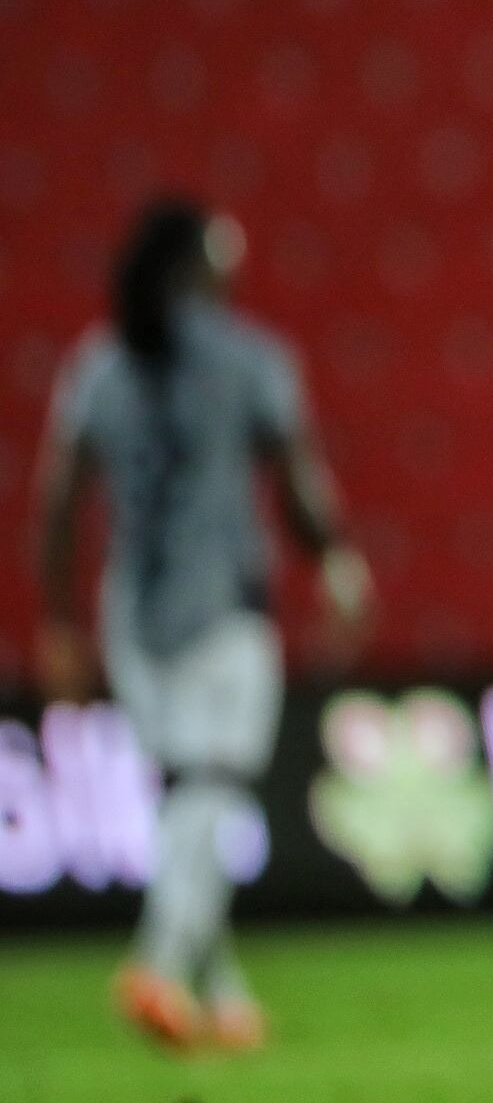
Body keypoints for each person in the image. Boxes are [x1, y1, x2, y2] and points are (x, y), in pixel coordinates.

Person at [30, 197, 372, 1051]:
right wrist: (335, 562)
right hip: (224, 607)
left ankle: (221, 997)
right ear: (204, 265)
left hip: (132, 612)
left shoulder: (100, 363)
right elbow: (296, 484)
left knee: (188, 796)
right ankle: (160, 964)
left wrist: (62, 622)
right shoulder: (252, 358)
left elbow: (60, 502)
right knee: (212, 789)